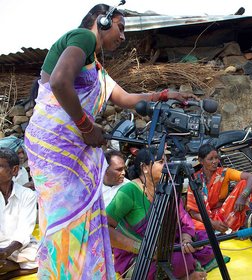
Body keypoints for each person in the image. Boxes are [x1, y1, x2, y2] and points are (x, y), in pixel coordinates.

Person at [23, 4, 197, 278]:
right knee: (66, 221)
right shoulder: (83, 37)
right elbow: (59, 82)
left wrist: (163, 95)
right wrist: (85, 125)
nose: (123, 36)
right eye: (120, 27)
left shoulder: (96, 66)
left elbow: (126, 98)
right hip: (57, 148)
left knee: (79, 220)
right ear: (102, 21)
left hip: (74, 148)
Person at [106, 148, 211, 279]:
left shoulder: (168, 187)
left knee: (208, 242)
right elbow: (104, 228)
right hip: (138, 255)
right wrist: (142, 248)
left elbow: (184, 219)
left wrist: (186, 239)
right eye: (161, 162)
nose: (167, 166)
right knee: (174, 260)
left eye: (167, 161)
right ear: (145, 167)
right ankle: (187, 276)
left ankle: (186, 271)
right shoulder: (129, 191)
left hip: (167, 247)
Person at [186, 143, 252, 233]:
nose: (215, 161)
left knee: (244, 183)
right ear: (201, 161)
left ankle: (230, 227)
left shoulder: (224, 173)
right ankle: (226, 230)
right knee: (190, 226)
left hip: (224, 215)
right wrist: (212, 223)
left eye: (216, 158)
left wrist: (242, 197)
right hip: (205, 219)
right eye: (210, 159)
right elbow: (193, 212)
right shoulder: (195, 179)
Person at [0, 148, 38, 279]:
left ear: (14, 170)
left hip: (19, 246)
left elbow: (24, 230)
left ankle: (9, 273)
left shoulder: (27, 195)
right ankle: (12, 266)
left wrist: (7, 251)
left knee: (45, 259)